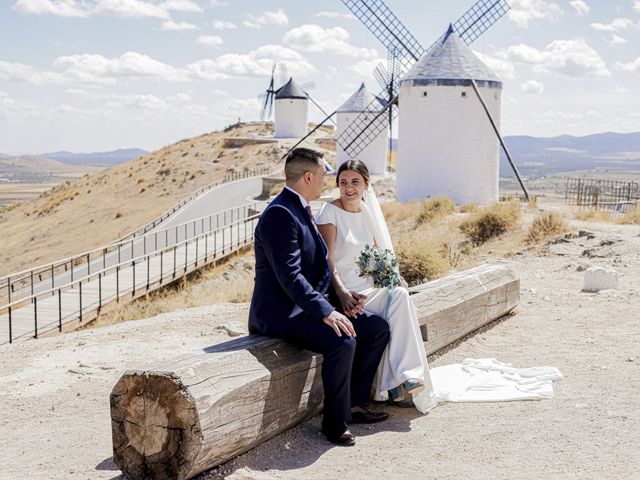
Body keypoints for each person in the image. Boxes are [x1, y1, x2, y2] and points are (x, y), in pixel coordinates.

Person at [248, 148, 391, 446]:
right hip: (283, 312)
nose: (327, 180)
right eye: (324, 175)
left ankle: (353, 403)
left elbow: (316, 265)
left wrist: (341, 297)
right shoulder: (280, 213)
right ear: (308, 176)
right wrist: (327, 311)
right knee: (343, 340)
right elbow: (290, 276)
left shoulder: (300, 207)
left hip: (307, 305)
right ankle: (334, 422)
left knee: (376, 329)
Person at [316, 159, 438, 413]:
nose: (349, 188)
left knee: (400, 296)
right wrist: (342, 293)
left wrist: (392, 276)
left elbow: (374, 258)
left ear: (366, 185)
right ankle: (401, 380)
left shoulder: (367, 213)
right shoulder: (329, 213)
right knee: (400, 302)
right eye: (343, 182)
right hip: (343, 292)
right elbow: (327, 261)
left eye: (355, 182)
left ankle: (403, 379)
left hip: (367, 288)